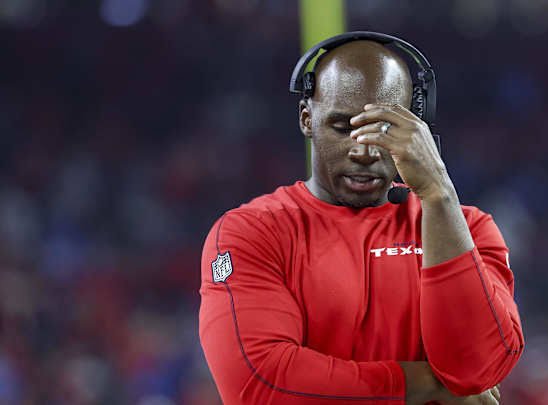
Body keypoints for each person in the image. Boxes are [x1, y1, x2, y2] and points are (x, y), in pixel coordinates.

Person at [198, 37, 524, 404]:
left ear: (417, 128)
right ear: (307, 119)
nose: (363, 150)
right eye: (342, 127)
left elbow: (476, 369)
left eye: (384, 128)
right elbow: (263, 386)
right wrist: (429, 384)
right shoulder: (250, 233)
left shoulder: (467, 229)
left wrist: (438, 193)